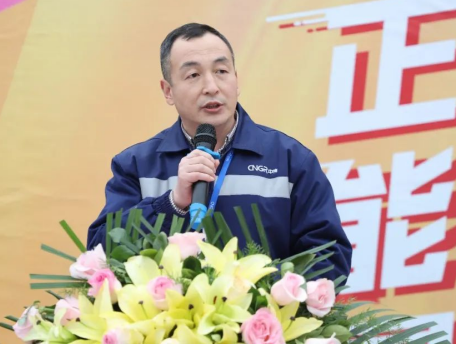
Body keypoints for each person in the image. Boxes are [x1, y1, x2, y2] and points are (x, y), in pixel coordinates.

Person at [87, 23, 352, 281]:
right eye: (193, 75)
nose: (211, 86)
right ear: (168, 91)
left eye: (221, 71)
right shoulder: (137, 165)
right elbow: (101, 254)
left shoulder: (290, 161)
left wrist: (252, 291)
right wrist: (172, 203)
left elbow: (329, 256)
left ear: (236, 80)